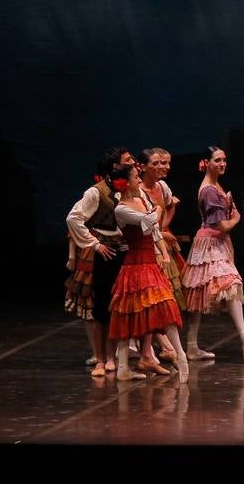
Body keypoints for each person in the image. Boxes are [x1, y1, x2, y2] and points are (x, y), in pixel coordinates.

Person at [107, 161, 188, 383]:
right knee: (127, 313)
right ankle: (123, 367)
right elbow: (149, 221)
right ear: (126, 183)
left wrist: (162, 253)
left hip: (149, 262)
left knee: (165, 306)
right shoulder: (121, 208)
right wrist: (160, 208)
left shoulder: (140, 199)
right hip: (135, 264)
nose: (139, 180)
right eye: (135, 177)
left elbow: (154, 232)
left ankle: (180, 356)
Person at [179, 146, 244, 362]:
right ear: (207, 162)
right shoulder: (209, 190)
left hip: (216, 242)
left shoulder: (215, 185)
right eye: (218, 160)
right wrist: (237, 219)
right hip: (210, 244)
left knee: (201, 290)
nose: (222, 164)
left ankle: (192, 345)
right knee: (229, 284)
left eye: (224, 160)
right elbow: (222, 225)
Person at [66, 147, 133, 377]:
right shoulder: (96, 193)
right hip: (105, 254)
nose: (132, 162)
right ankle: (100, 360)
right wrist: (95, 244)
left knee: (117, 307)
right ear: (115, 167)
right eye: (127, 160)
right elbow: (74, 218)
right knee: (101, 307)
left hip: (124, 253)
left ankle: (112, 357)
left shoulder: (128, 190)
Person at [139, 147, 184, 366]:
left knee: (166, 296)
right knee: (150, 297)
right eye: (156, 163)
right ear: (144, 166)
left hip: (159, 245)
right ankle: (160, 346)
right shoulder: (136, 190)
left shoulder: (162, 186)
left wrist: (164, 229)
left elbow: (168, 206)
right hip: (143, 248)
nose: (162, 167)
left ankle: (163, 344)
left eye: (165, 163)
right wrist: (160, 232)